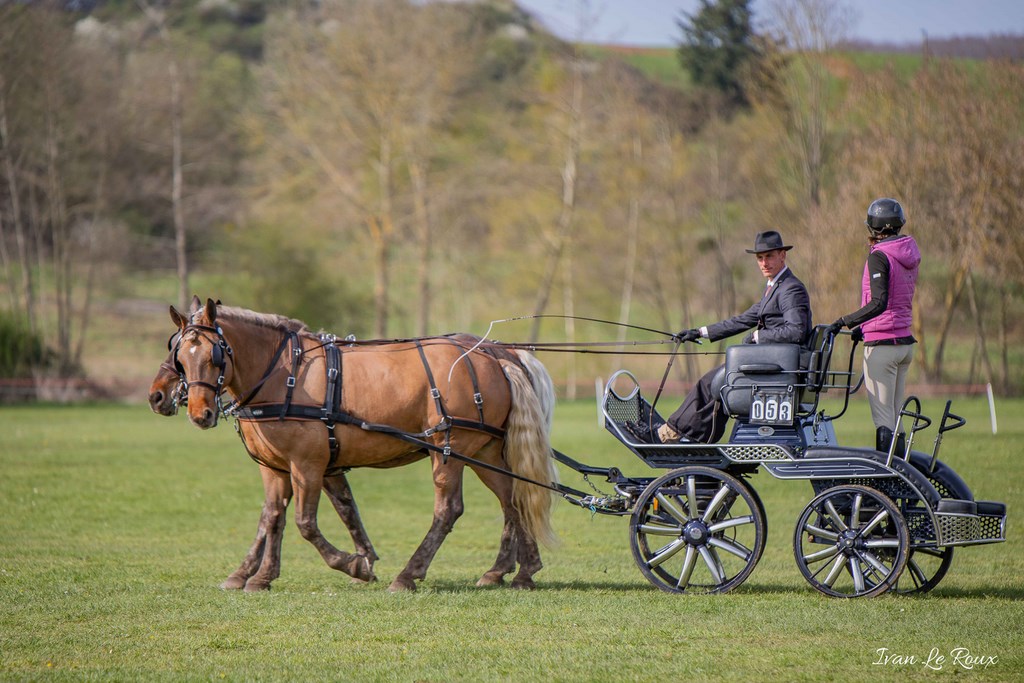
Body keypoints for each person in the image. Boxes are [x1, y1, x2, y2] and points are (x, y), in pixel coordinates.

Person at [652, 230, 813, 444]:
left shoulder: (790, 289)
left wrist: (758, 336)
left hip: (778, 369)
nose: (764, 263)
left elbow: (796, 331)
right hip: (772, 364)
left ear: (782, 255)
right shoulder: (774, 289)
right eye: (759, 258)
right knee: (715, 381)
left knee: (711, 382)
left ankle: (670, 433)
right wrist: (700, 332)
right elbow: (741, 320)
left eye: (770, 256)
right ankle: (697, 438)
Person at [828, 198, 920, 454]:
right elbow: (894, 302)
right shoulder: (907, 253)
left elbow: (879, 302)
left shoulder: (879, 257)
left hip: (883, 348)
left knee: (883, 419)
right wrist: (864, 328)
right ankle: (901, 475)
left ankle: (884, 482)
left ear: (873, 227)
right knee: (895, 415)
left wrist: (844, 321)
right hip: (903, 344)